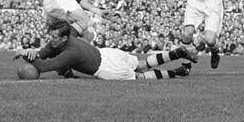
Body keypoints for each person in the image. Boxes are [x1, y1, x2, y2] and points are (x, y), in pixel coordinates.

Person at [13, 22, 198, 81]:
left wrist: (26, 56)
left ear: (63, 38)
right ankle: (178, 53)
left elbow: (46, 66)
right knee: (142, 64)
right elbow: (44, 53)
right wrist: (32, 53)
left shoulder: (71, 51)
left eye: (53, 37)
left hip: (106, 67)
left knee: (140, 76)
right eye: (50, 36)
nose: (50, 40)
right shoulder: (64, 39)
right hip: (108, 53)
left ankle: (177, 72)